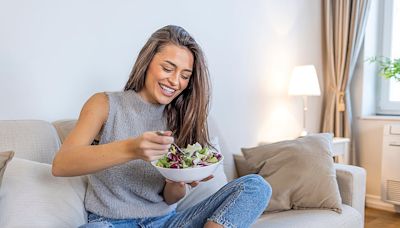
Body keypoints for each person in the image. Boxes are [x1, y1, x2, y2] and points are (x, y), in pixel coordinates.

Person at [52, 25, 272, 228]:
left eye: (185, 76)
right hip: (110, 223)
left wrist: (178, 180)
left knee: (256, 187)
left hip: (166, 222)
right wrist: (133, 149)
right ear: (147, 62)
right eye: (168, 68)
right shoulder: (104, 104)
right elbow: (62, 164)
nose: (175, 82)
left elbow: (171, 198)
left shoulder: (182, 117)